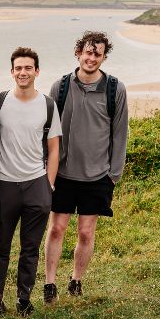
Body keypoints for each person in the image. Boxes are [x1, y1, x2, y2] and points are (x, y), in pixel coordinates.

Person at [44, 31, 129, 300]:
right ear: (78, 52)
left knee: (85, 231)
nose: (92, 58)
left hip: (97, 176)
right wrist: (48, 170)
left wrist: (113, 175)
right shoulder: (60, 87)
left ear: (103, 57)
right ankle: (49, 284)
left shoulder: (116, 89)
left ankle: (76, 280)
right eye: (88, 52)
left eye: (98, 53)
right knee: (56, 229)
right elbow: (48, 131)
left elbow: (120, 133)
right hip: (63, 173)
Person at [0, 47, 61, 319]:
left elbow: (54, 148)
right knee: (0, 246)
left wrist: (49, 185)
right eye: (18, 68)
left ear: (37, 71)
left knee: (30, 247)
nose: (23, 72)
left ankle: (24, 299)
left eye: (28, 68)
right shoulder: (1, 101)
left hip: (36, 185)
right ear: (11, 72)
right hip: (5, 183)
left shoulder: (48, 104)